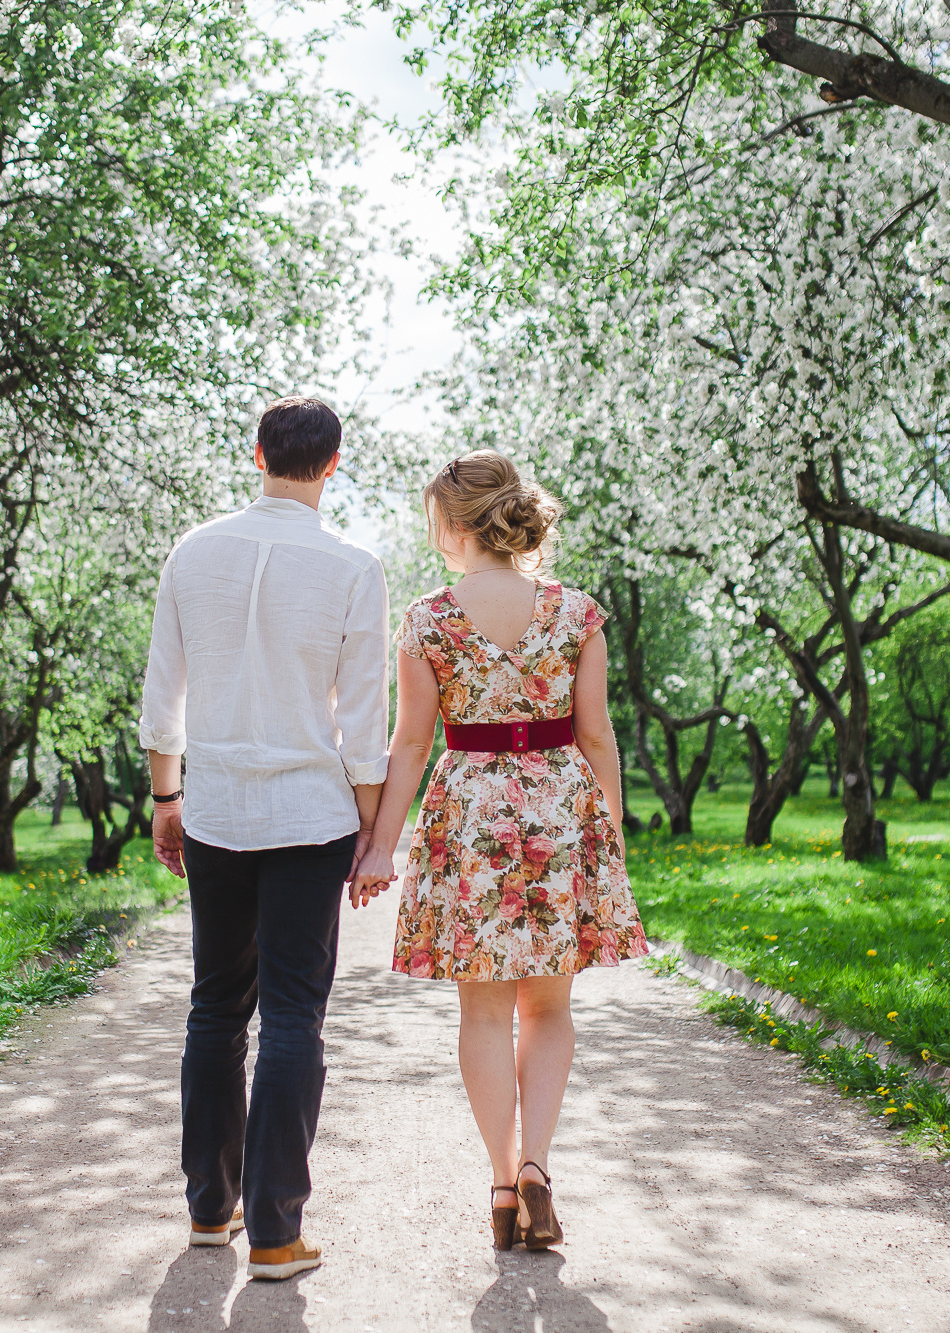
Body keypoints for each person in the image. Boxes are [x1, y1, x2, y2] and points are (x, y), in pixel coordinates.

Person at [350, 449, 649, 1252]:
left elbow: (410, 742)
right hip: (559, 805)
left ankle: (497, 1182)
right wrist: (607, 826)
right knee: (548, 1008)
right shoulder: (576, 612)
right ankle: (538, 1165)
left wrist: (380, 845)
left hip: (469, 812)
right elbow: (595, 731)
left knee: (483, 1010)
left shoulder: (426, 619)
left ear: (452, 524)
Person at [138, 395, 389, 1281]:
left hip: (215, 813)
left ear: (256, 454)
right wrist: (371, 824)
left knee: (215, 1004)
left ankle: (211, 1209)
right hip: (309, 818)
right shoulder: (355, 567)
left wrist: (165, 796)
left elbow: (162, 687)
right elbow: (364, 718)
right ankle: (277, 1231)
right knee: (292, 1013)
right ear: (332, 465)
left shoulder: (192, 551)